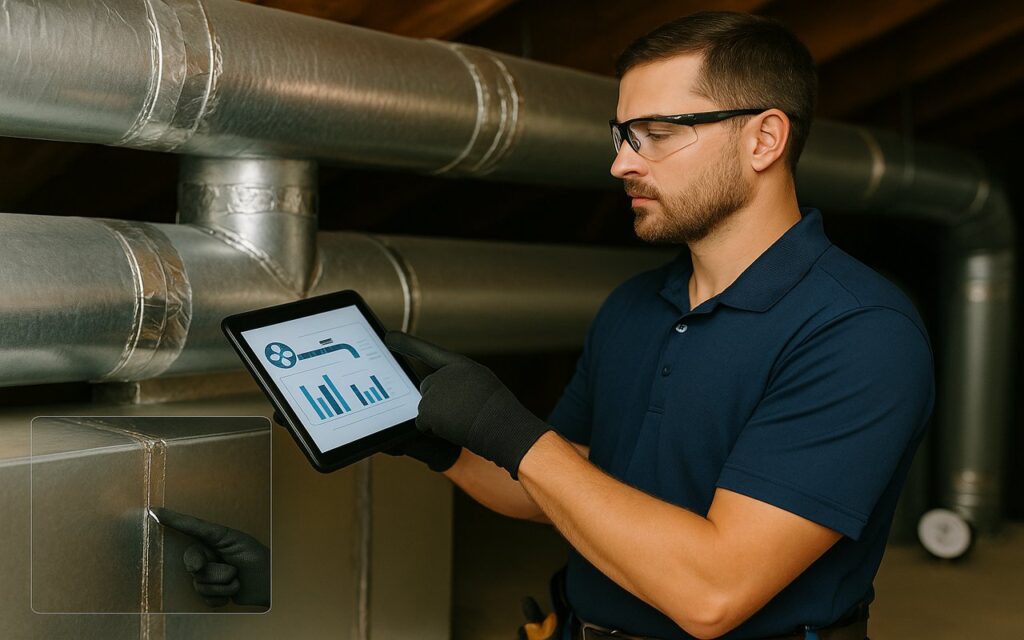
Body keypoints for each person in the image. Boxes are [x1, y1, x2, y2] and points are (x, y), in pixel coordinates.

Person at [386, 11, 934, 640]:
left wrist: (507, 429)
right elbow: (560, 486)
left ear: (764, 140)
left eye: (655, 132)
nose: (622, 163)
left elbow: (713, 593)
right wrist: (428, 436)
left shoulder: (859, 332)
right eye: (622, 134)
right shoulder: (634, 305)